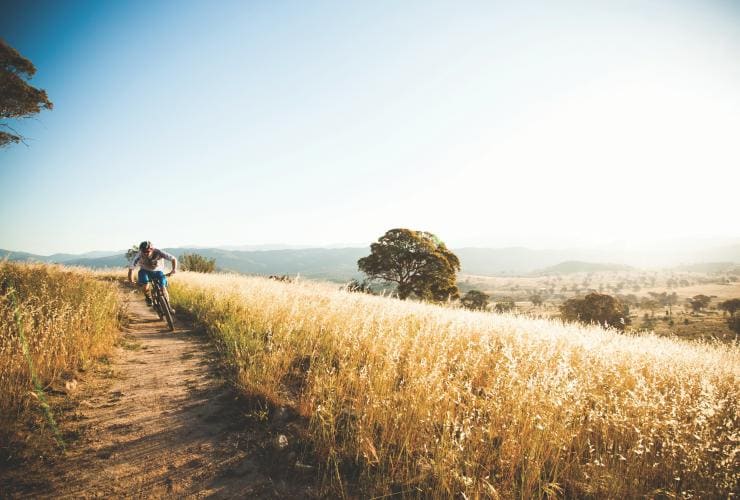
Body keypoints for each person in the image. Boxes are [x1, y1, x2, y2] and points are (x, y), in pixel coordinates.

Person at [128, 241, 177, 309]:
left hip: (158, 271)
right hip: (144, 271)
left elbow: (173, 259)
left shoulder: (159, 252)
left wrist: (174, 270)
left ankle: (168, 307)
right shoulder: (139, 255)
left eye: (147, 251)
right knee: (145, 284)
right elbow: (131, 268)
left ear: (152, 249)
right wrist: (131, 280)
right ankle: (148, 297)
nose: (145, 253)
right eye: (143, 251)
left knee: (163, 287)